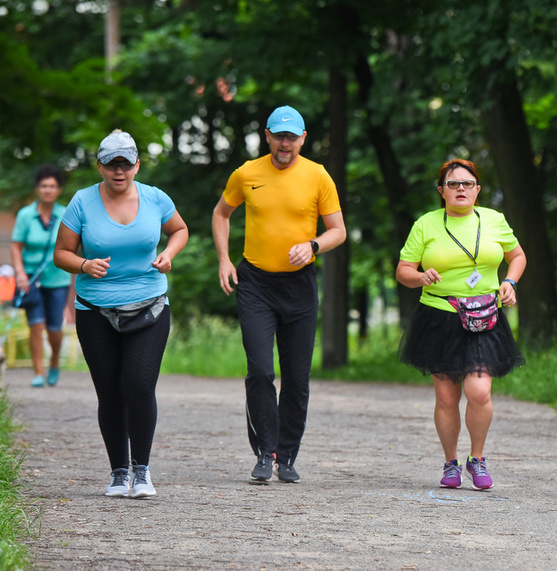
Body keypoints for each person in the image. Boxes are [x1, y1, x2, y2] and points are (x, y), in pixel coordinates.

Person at [212, 105, 346, 483]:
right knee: (259, 370)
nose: (285, 144)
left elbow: (338, 230)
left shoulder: (318, 176)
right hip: (255, 283)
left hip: (299, 285)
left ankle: (286, 455)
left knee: (297, 377)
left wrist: (314, 245)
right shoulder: (247, 173)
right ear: (267, 136)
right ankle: (264, 452)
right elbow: (221, 214)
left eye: (292, 137)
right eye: (278, 136)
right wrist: (224, 259)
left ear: (303, 139)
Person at [54, 130, 188, 499]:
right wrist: (84, 264)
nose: (119, 170)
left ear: (136, 165)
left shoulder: (155, 198)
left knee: (139, 384)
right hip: (95, 310)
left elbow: (179, 229)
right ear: (99, 165)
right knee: (110, 392)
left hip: (149, 306)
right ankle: (118, 472)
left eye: (125, 163)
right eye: (111, 163)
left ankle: (141, 472)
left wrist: (169, 254)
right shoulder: (82, 202)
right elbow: (61, 254)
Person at [396, 158, 526, 490]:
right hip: (439, 317)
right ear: (441, 191)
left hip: (485, 316)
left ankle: (477, 459)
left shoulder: (494, 220)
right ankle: (451, 462)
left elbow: (518, 256)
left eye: (467, 184)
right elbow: (403, 271)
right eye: (453, 184)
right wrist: (420, 275)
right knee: (445, 397)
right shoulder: (426, 224)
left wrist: (510, 282)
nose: (460, 189)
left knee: (479, 392)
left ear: (477, 190)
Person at [10, 165, 75, 388]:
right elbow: (16, 246)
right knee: (35, 325)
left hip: (58, 278)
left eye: (52, 186)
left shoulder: (66, 213)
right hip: (30, 278)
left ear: (59, 190)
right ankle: (38, 372)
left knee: (54, 329)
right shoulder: (26, 215)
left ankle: (54, 361)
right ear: (38, 189)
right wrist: (19, 273)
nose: (48, 190)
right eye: (44, 186)